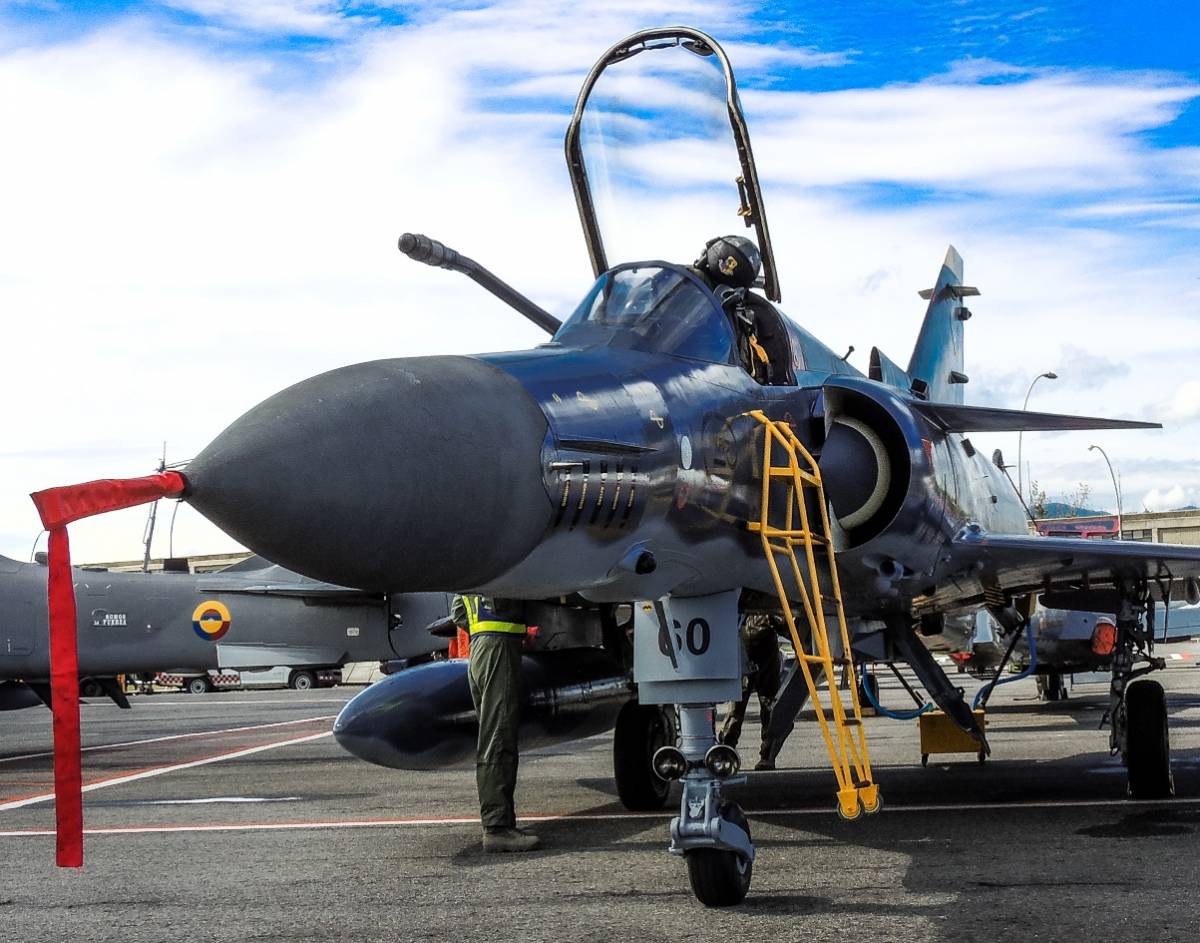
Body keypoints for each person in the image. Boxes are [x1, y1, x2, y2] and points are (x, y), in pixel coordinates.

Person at [450, 593, 540, 853]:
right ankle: (497, 829)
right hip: (499, 649)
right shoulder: (501, 563)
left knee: (494, 734)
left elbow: (459, 614)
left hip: (480, 650)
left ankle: (503, 823)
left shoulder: (469, 570)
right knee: (499, 737)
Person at [718, 611, 785, 771]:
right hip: (746, 661)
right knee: (736, 710)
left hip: (764, 664)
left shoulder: (763, 607)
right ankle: (727, 752)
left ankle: (767, 756)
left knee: (765, 710)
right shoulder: (743, 607)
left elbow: (784, 624)